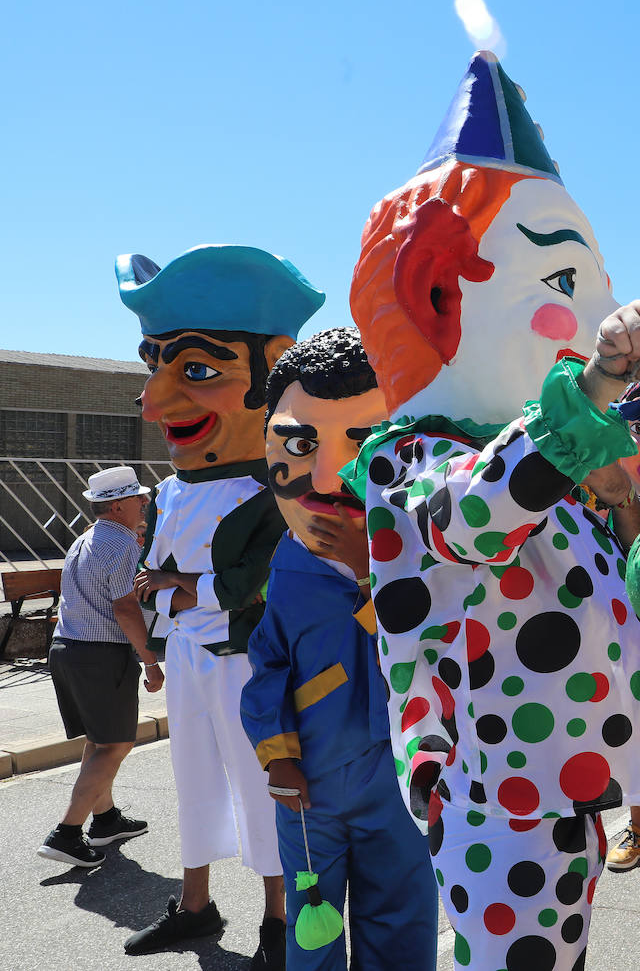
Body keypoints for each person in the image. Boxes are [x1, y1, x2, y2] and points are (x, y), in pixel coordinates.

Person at [345, 51, 640, 970]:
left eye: (599, 285)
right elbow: (472, 517)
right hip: (497, 791)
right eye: (562, 284)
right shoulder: (410, 460)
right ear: (435, 293)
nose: (600, 317)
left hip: (554, 787)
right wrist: (596, 385)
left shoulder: (543, 459)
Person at [118, 244, 324, 968]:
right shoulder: (171, 490)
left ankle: (279, 920)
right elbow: (154, 569)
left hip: (246, 665)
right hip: (188, 655)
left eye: (198, 370)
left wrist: (181, 586)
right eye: (154, 366)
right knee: (195, 783)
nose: (153, 402)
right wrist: (160, 621)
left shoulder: (274, 491)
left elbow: (257, 584)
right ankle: (196, 903)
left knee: (263, 788)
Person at [240, 327, 437, 971]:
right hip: (313, 786)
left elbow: (431, 650)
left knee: (401, 915)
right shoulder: (289, 564)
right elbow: (268, 663)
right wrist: (278, 757)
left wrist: (369, 572)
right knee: (314, 923)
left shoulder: (427, 557)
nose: (329, 478)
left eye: (365, 440)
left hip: (402, 781)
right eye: (302, 445)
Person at [37, 466, 165, 869]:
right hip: (100, 655)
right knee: (114, 745)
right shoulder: (122, 544)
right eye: (137, 497)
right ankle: (67, 833)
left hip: (68, 648)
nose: (144, 502)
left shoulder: (86, 539)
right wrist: (151, 661)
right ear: (117, 506)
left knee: (99, 740)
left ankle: (105, 819)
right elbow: (125, 607)